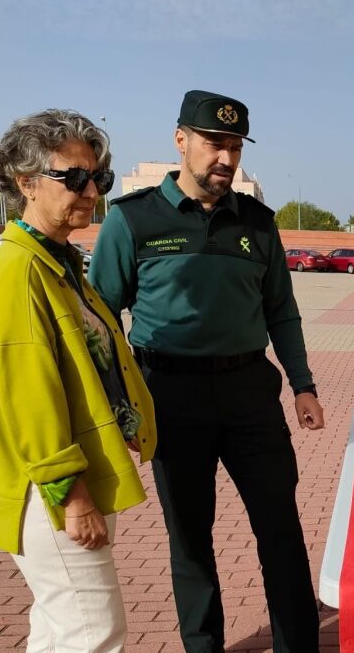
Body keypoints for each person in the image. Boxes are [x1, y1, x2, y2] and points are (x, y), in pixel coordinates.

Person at [89, 90, 323, 652]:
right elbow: (100, 322)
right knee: (191, 539)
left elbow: (281, 311)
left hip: (250, 396)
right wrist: (120, 405)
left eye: (235, 147)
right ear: (181, 141)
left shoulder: (258, 224)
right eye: (214, 144)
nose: (225, 158)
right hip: (170, 398)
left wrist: (303, 384)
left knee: (281, 529)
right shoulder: (132, 219)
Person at [0, 109, 157, 652]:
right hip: (49, 492)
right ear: (25, 182)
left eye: (99, 178)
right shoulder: (19, 271)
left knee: (58, 631)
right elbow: (30, 397)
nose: (91, 191)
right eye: (73, 177)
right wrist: (70, 496)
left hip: (71, 480)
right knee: (94, 633)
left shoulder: (59, 262)